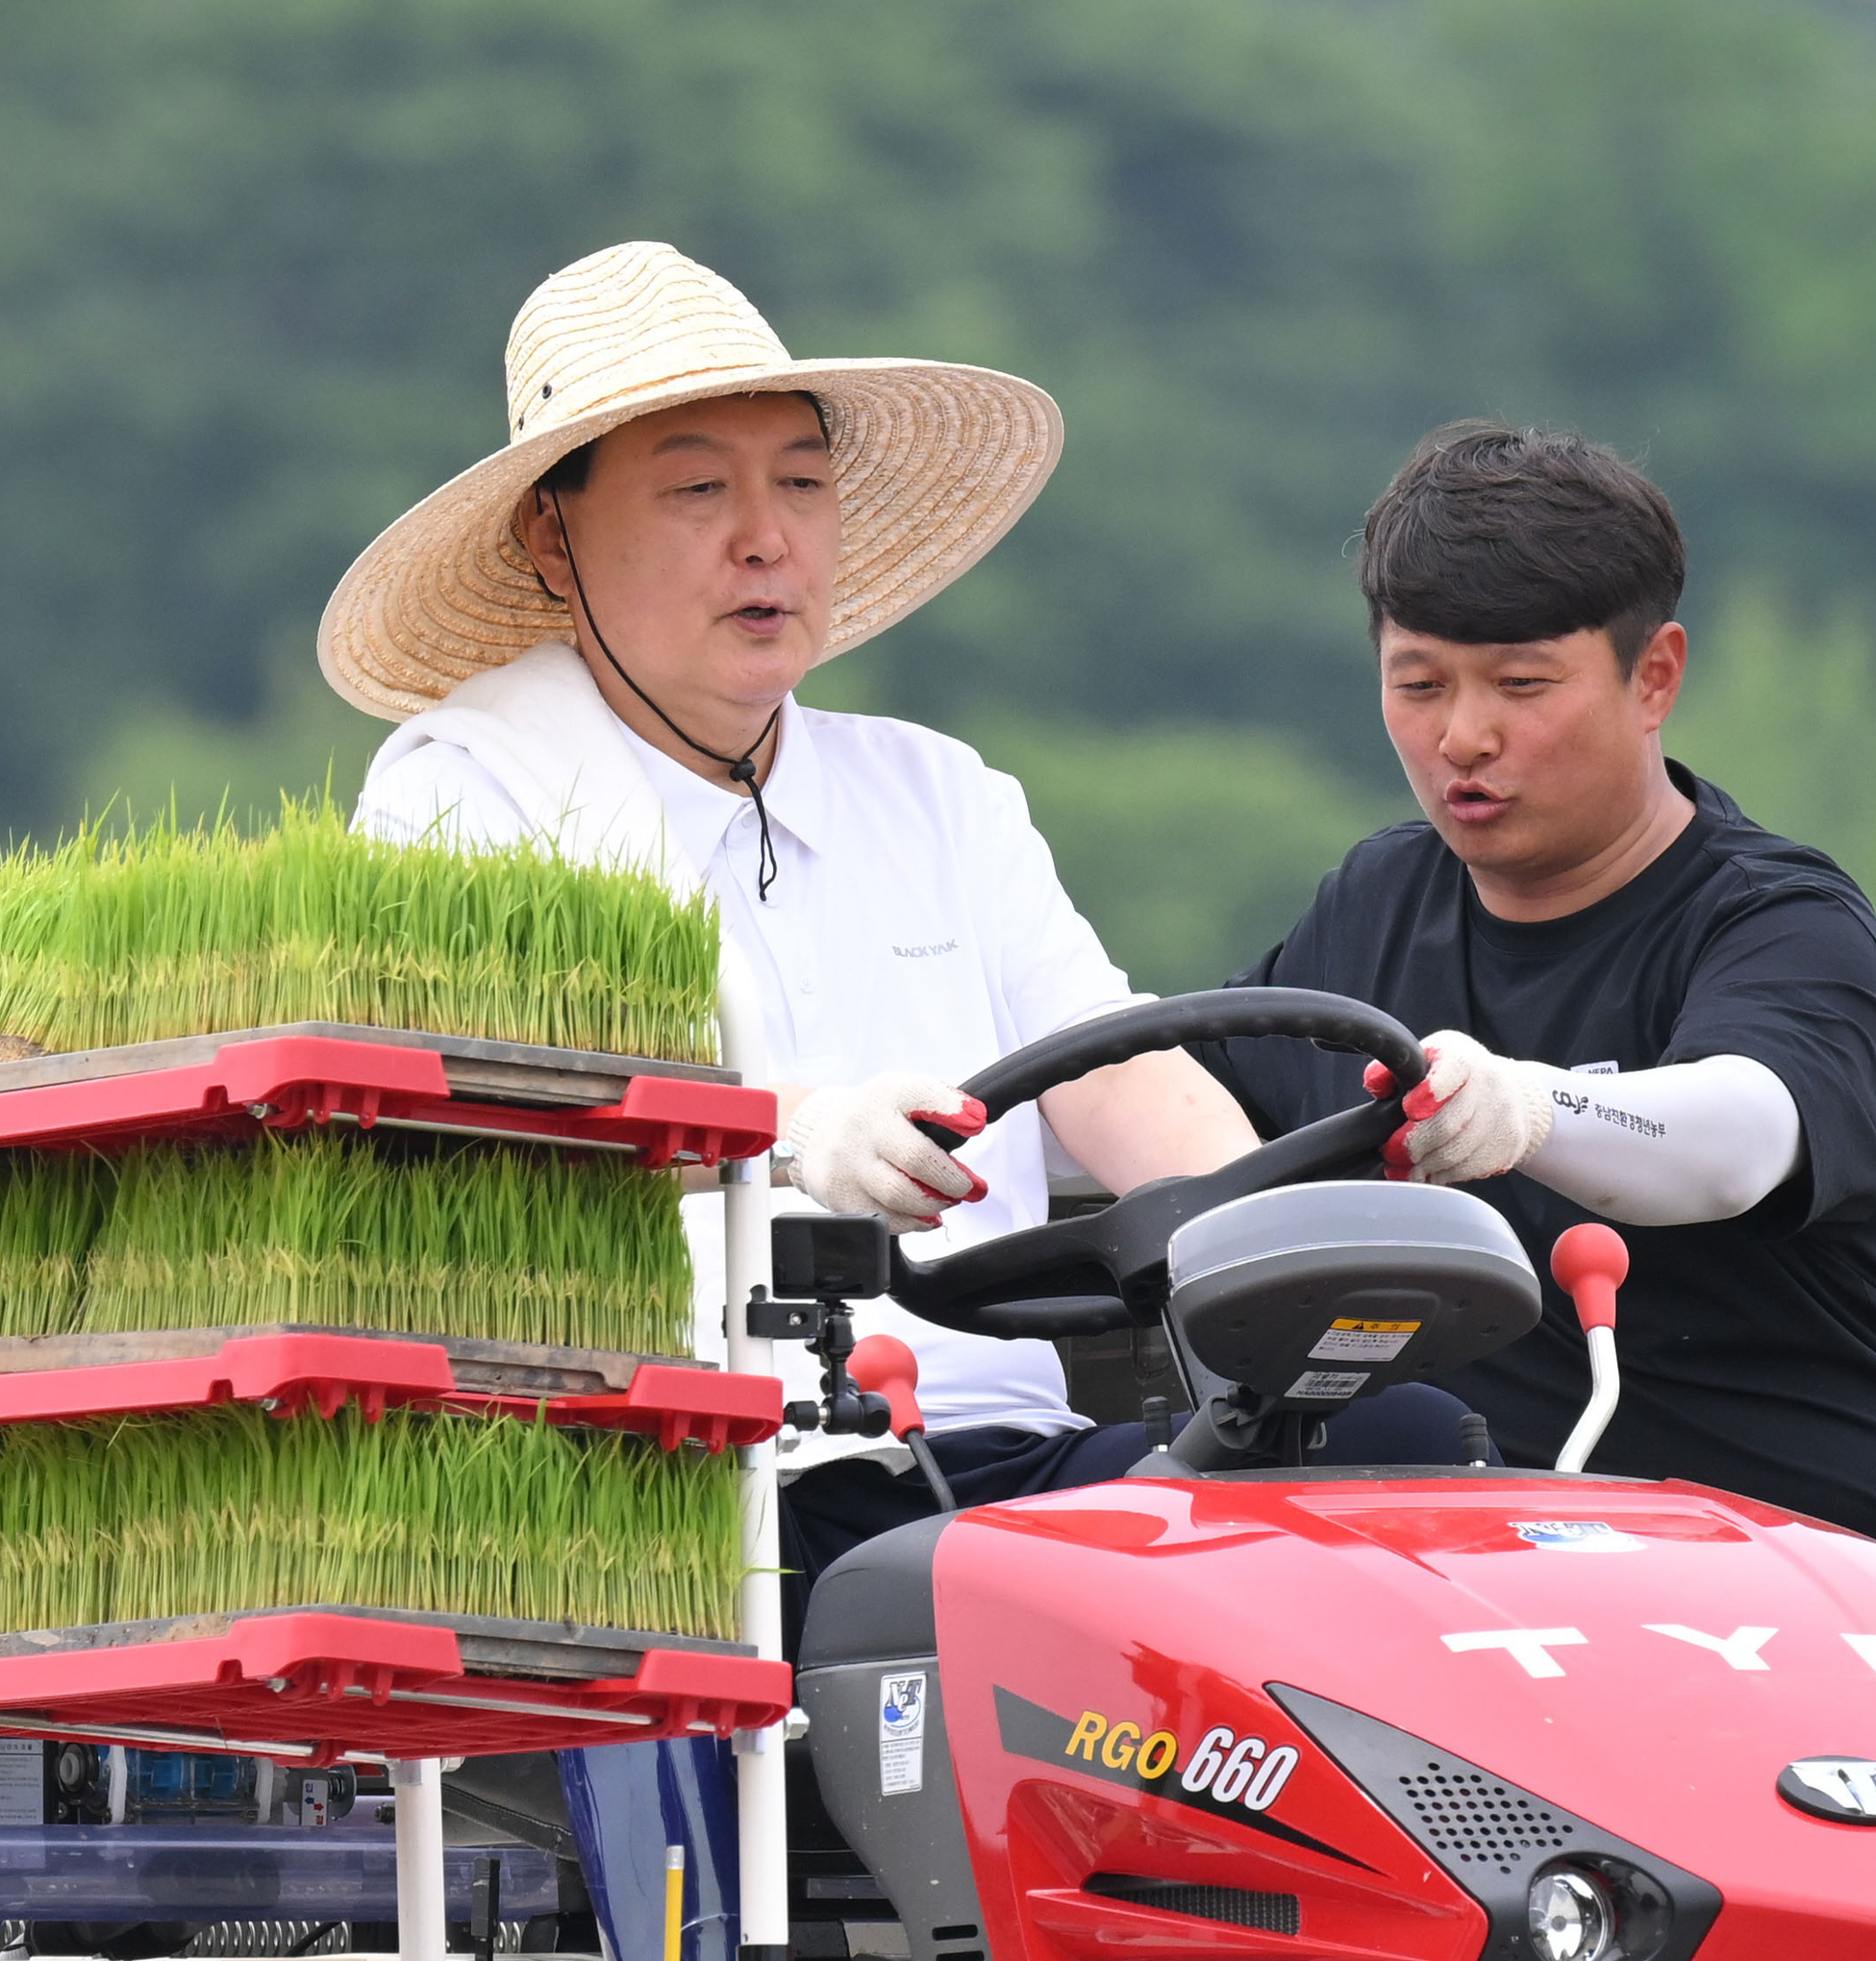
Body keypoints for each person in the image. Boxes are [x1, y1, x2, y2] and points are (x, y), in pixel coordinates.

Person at [318, 244, 1464, 1614]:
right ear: (549, 537)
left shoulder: (939, 793)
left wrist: (1309, 1222)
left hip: (1009, 1469)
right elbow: (506, 1102)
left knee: (1410, 1454)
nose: (768, 536)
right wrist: (797, 1130)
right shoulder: (465, 791)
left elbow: (1114, 1069)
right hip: (703, 1495)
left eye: (801, 482)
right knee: (1014, 1588)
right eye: (698, 489)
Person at [1200, 422, 1876, 1686]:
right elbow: (1172, 1097)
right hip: (1516, 1594)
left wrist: (1526, 1113)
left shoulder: (1776, 919)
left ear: (1654, 676)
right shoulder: (1369, 908)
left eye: (1520, 686)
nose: (1461, 737)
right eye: (1418, 684)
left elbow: (1739, 1140)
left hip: (1841, 1569)